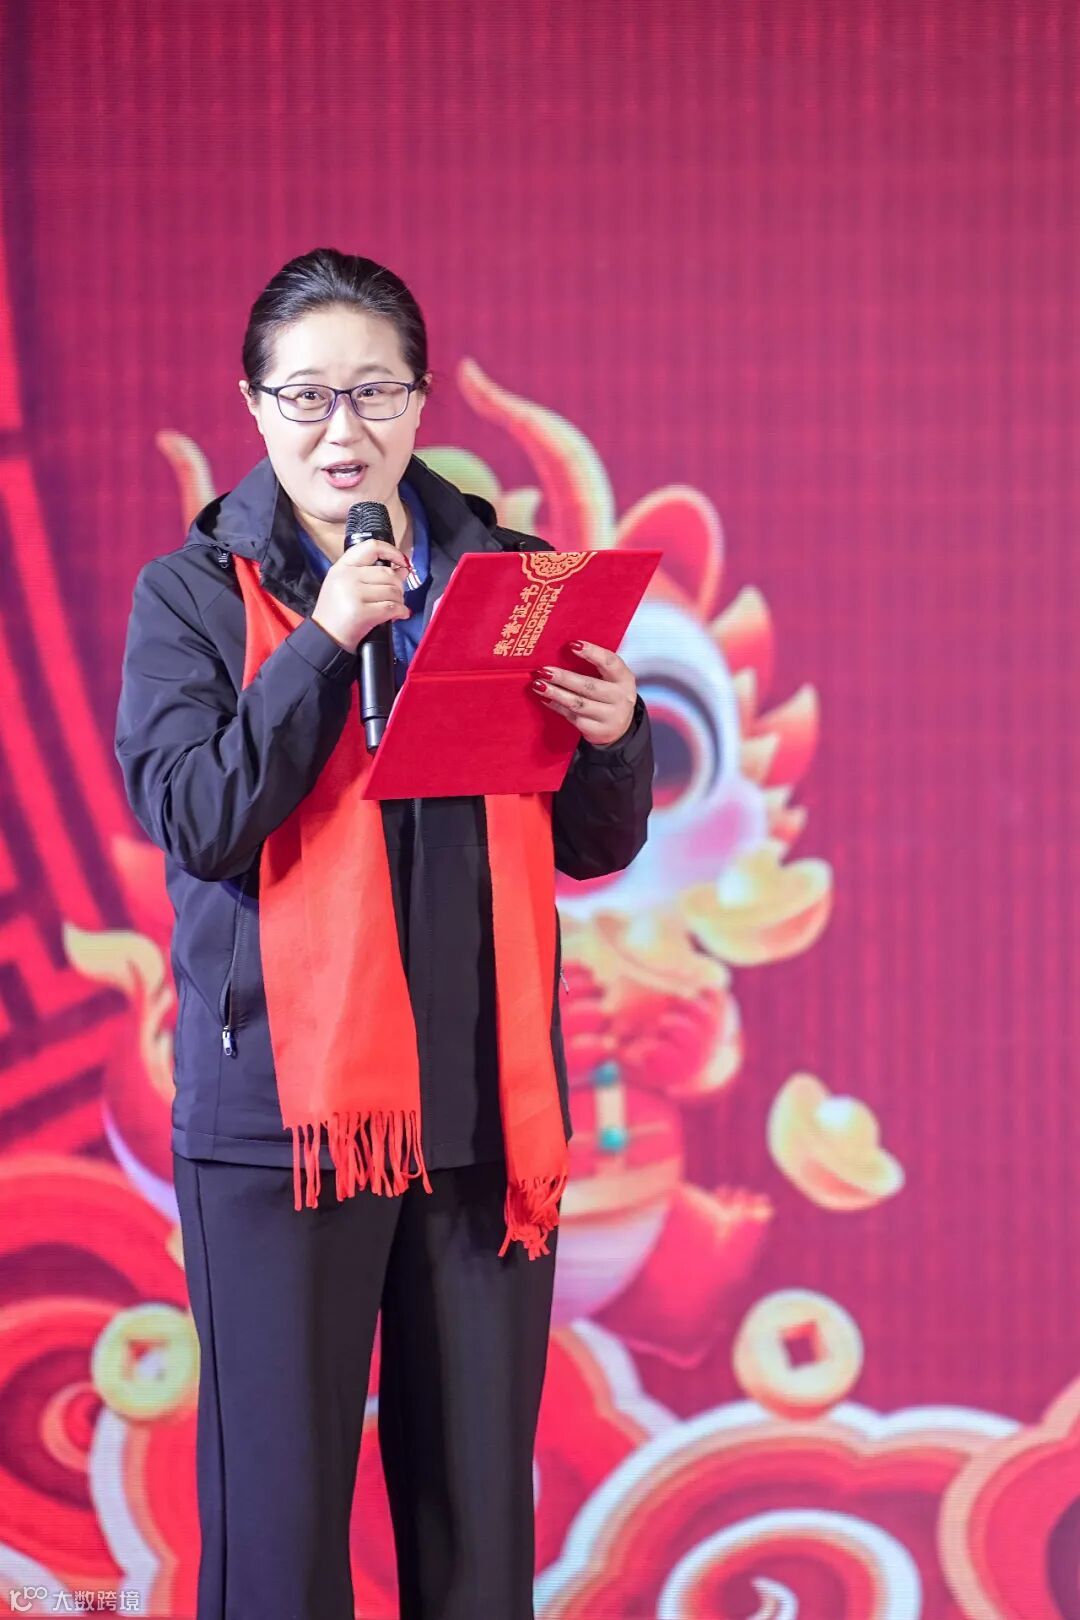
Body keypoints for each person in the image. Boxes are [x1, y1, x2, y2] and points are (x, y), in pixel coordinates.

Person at [114, 247, 653, 1620]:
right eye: (305, 396)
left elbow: (592, 843)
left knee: (475, 1528)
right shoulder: (192, 595)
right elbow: (199, 817)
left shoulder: (510, 579)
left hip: (477, 1112)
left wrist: (614, 738)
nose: (340, 428)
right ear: (254, 405)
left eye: (374, 391)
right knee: (281, 1530)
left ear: (420, 401)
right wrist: (320, 642)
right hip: (283, 1120)